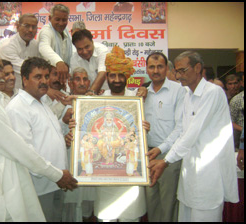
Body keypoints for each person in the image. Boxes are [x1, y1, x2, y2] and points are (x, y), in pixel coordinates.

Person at [0, 50, 77, 222]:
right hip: (0, 190)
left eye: (0, 68)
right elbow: (21, 150)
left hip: (38, 182)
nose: (0, 74)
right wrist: (57, 175)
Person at [149, 51, 239, 222]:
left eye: (182, 70)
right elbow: (180, 131)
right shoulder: (187, 95)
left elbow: (192, 134)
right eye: (176, 71)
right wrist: (160, 149)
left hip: (208, 175)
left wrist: (165, 161)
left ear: (198, 68)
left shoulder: (212, 92)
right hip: (189, 175)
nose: (178, 75)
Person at [5, 57, 73, 222]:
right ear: (25, 79)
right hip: (39, 187)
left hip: (56, 183)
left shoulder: (42, 103)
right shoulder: (18, 108)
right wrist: (57, 175)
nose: (44, 81)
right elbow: (26, 153)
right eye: (38, 77)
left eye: (46, 76)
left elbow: (46, 138)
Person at [94, 46, 148, 222]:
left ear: (127, 76)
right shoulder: (98, 100)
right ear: (107, 77)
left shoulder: (137, 99)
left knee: (130, 217)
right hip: (105, 172)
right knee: (106, 216)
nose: (116, 80)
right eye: (112, 75)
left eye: (120, 75)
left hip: (130, 171)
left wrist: (144, 128)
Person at [144, 52, 186, 222]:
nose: (156, 70)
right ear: (146, 69)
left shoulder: (179, 91)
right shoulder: (142, 94)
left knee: (168, 204)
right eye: (152, 67)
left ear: (167, 68)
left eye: (160, 66)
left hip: (168, 156)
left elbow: (181, 127)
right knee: (151, 202)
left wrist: (161, 149)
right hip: (147, 155)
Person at [61, 67, 96, 222]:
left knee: (89, 209)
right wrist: (65, 135)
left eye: (85, 79)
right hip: (70, 165)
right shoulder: (62, 105)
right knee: (70, 209)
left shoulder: (97, 104)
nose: (81, 83)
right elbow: (55, 134)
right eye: (77, 79)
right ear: (70, 82)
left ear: (89, 82)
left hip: (91, 166)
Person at [0, 13, 40, 89]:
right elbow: (26, 69)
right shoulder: (7, 46)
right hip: (10, 93)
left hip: (30, 92)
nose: (30, 30)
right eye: (26, 26)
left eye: (34, 27)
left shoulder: (36, 45)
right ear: (18, 27)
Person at [38, 4, 72, 85]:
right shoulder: (46, 31)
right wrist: (58, 62)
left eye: (64, 20)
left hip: (61, 80)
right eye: (57, 19)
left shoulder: (66, 32)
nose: (61, 23)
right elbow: (44, 47)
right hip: (46, 82)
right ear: (50, 18)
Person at [71, 29, 109, 94]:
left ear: (92, 42)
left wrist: (92, 91)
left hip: (107, 93)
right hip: (86, 95)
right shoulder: (74, 58)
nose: (84, 52)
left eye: (87, 47)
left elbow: (102, 73)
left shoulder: (103, 51)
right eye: (80, 49)